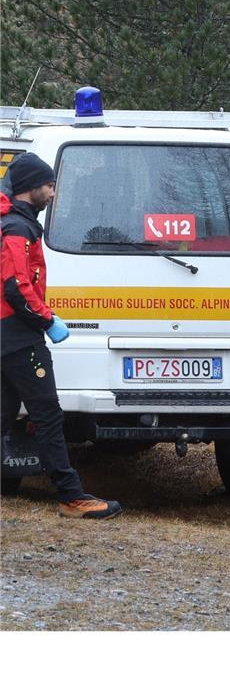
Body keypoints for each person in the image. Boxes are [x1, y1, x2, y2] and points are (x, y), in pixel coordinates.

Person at [1, 153, 121, 519]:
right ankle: (71, 496)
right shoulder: (17, 230)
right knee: (48, 414)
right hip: (19, 337)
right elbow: (15, 287)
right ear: (30, 188)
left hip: (10, 334)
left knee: (3, 415)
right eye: (50, 185)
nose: (53, 193)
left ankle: (71, 493)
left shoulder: (16, 224)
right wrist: (47, 320)